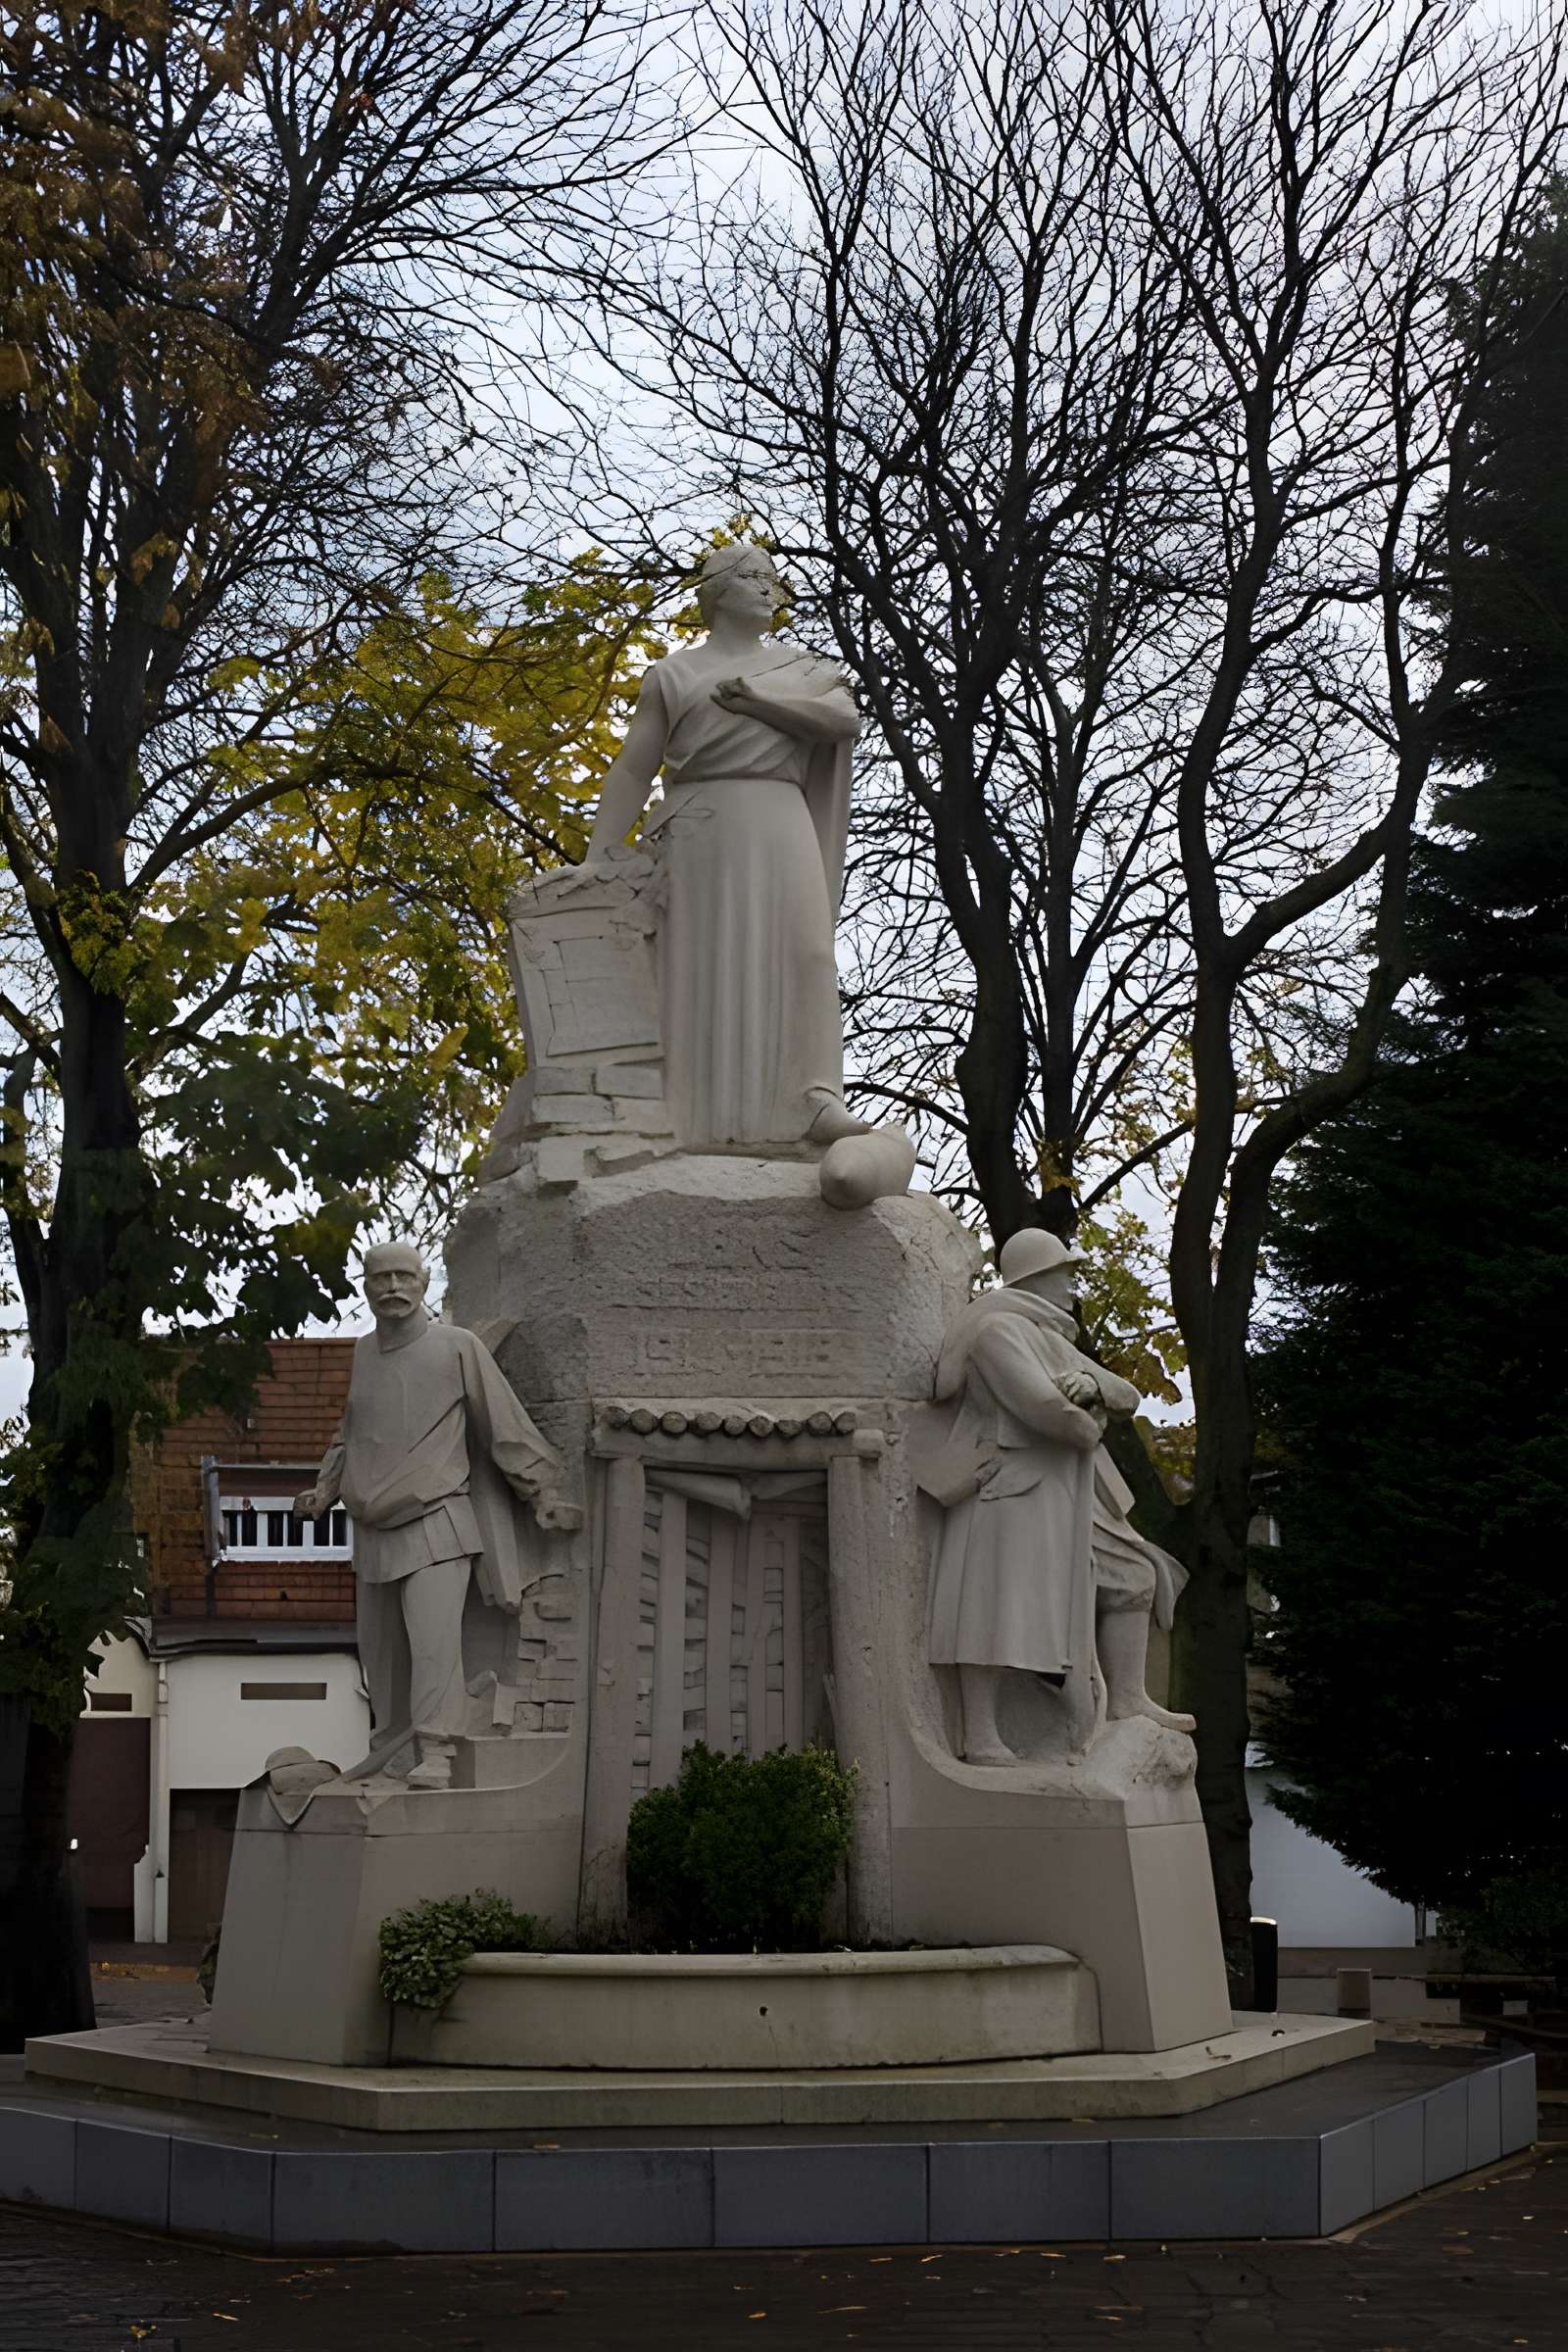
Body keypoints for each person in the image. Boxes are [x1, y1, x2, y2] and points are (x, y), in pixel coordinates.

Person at [582, 542, 869, 1151]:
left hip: (780, 815)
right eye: (750, 577)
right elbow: (635, 769)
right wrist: (601, 850)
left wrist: (760, 703)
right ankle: (685, 1113)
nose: (769, 588)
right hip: (701, 825)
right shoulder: (674, 674)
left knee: (808, 951)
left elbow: (844, 721)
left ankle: (814, 1097)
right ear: (714, 591)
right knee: (697, 962)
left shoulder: (806, 670)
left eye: (772, 579)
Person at [294, 1244, 579, 1788]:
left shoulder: (457, 1346)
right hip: (372, 1531)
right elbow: (351, 1433)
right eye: (381, 1278)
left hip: (438, 1523)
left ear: (424, 1282)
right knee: (381, 1659)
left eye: (405, 1275)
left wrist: (542, 1491)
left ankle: (437, 1753)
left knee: (434, 1648)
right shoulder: (362, 1354)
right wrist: (324, 1488)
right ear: (367, 1285)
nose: (393, 1287)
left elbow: (504, 1426)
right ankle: (390, 1754)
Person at [925, 1228, 1194, 1764]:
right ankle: (980, 1732)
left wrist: (1092, 1389)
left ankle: (1127, 1700)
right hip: (1009, 1487)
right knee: (995, 1605)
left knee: (1134, 1574)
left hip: (1066, 1489)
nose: (1074, 1286)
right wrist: (1085, 1415)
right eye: (1065, 1274)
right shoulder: (998, 1332)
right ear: (1036, 1277)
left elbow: (1126, 1393)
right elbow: (1045, 1411)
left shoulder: (1048, 1338)